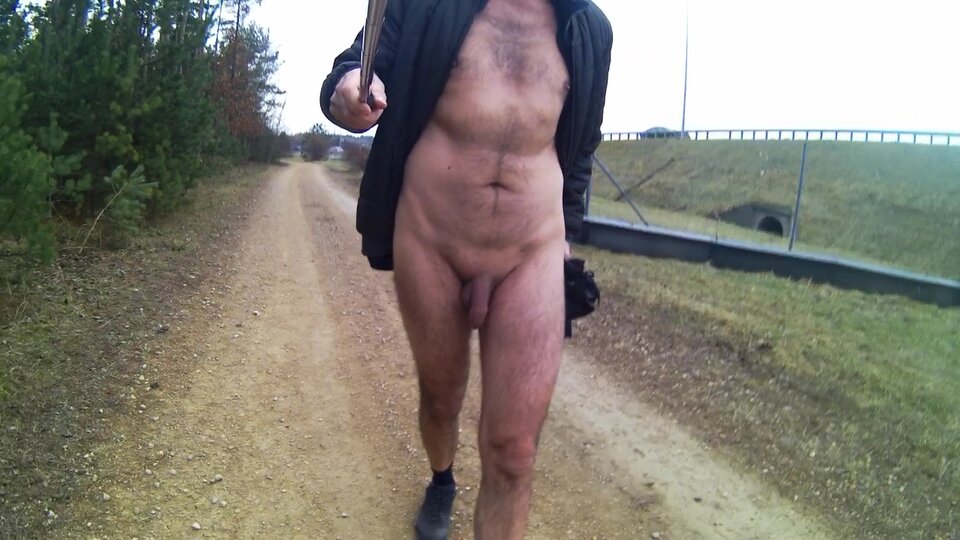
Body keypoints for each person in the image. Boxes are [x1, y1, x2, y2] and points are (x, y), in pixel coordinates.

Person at [320, 0, 611, 538]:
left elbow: (581, 148)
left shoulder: (588, 28)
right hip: (432, 239)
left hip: (533, 249)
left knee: (514, 451)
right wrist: (348, 91)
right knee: (441, 398)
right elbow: (354, 69)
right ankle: (442, 479)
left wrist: (567, 234)